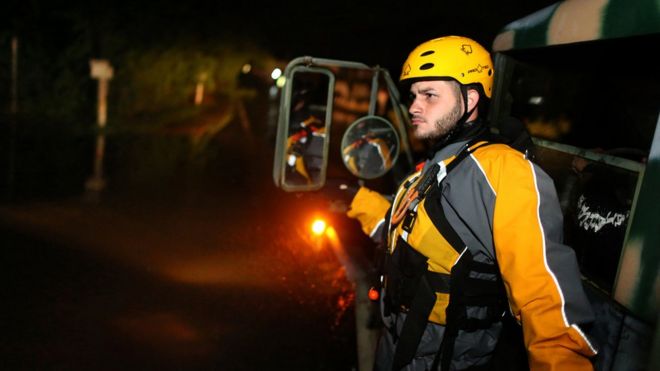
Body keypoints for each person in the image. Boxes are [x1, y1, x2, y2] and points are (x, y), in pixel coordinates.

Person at [340, 36, 597, 370]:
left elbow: (546, 303)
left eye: (430, 95)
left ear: (470, 98)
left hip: (446, 359)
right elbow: (404, 230)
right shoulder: (435, 164)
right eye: (415, 95)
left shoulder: (505, 172)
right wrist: (354, 198)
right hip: (396, 346)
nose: (414, 106)